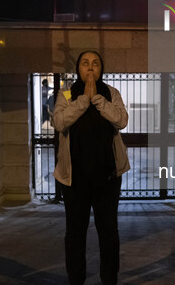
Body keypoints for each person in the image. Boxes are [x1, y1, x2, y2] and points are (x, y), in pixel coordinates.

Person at [53, 51, 130, 285]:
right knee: (75, 233)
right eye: (85, 64)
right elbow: (59, 122)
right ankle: (76, 279)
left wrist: (97, 99)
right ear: (78, 68)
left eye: (95, 64)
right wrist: (83, 101)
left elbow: (122, 120)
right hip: (74, 178)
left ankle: (109, 279)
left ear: (101, 69)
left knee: (108, 232)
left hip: (107, 177)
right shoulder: (66, 92)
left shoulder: (111, 93)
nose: (90, 68)